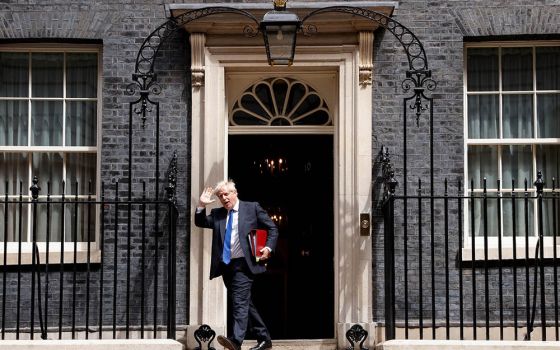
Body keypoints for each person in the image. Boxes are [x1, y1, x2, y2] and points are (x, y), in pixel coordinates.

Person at [195, 180, 278, 350]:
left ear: (235, 193)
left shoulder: (252, 208)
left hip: (244, 265)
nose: (224, 198)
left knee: (239, 302)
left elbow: (272, 228)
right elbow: (201, 222)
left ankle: (236, 341)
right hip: (227, 266)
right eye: (220, 196)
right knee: (245, 302)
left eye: (226, 194)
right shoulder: (218, 213)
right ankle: (264, 338)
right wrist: (201, 205)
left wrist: (268, 248)